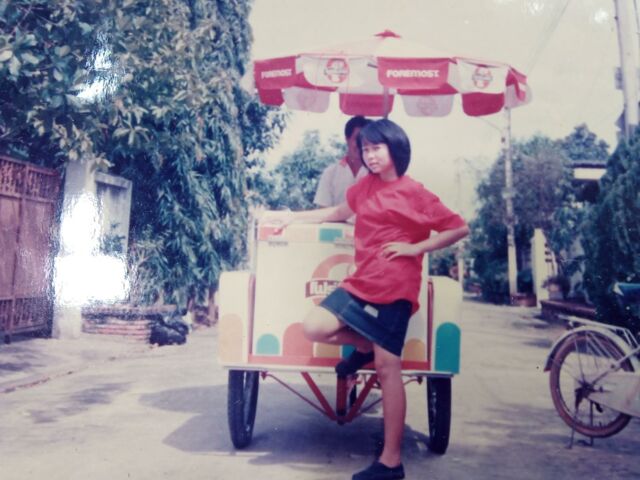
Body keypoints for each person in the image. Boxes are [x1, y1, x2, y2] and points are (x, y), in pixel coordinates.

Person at [266, 119, 469, 480]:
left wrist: (415, 248)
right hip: (361, 281)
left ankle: (391, 462)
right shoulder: (364, 187)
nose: (370, 155)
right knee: (314, 326)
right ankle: (364, 346)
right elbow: (336, 213)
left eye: (377, 148)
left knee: (389, 368)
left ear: (395, 148)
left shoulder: (415, 192)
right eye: (366, 149)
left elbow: (458, 227)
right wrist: (291, 218)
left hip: (396, 286)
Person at [314, 115, 371, 207]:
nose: (360, 145)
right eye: (357, 139)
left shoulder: (375, 172)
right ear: (347, 139)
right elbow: (323, 209)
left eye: (365, 141)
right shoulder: (330, 173)